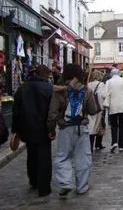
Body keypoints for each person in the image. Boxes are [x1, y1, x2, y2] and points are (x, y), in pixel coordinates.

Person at [47, 64, 98, 198]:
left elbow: (52, 114)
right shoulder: (86, 90)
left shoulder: (59, 91)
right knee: (83, 158)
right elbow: (93, 110)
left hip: (65, 128)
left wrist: (51, 128)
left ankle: (65, 183)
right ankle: (82, 186)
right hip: (82, 128)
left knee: (63, 157)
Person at [12, 65, 52, 197]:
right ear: (45, 75)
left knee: (32, 155)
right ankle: (44, 187)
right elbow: (52, 110)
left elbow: (16, 111)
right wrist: (52, 127)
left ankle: (33, 180)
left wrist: (15, 129)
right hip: (43, 127)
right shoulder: (48, 87)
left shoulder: (22, 88)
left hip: (27, 127)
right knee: (44, 157)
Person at [105, 68, 123, 153]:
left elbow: (104, 94)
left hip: (113, 106)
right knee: (122, 126)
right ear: (119, 73)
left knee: (113, 125)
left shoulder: (109, 82)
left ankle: (114, 142)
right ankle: (121, 146)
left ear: (111, 74)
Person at [87, 70, 106, 152]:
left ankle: (90, 145)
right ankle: (98, 144)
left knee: (91, 125)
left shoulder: (88, 84)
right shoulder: (101, 84)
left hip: (89, 107)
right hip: (98, 107)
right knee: (99, 125)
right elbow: (102, 95)